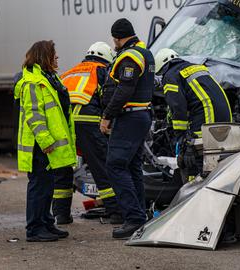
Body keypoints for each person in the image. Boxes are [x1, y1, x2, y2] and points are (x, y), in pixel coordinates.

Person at [14, 40, 76, 242]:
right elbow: (34, 116)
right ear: (44, 57)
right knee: (39, 187)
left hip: (48, 145)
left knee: (47, 186)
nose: (57, 57)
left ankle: (46, 223)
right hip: (39, 146)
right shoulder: (32, 82)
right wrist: (46, 140)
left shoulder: (49, 78)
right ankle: (34, 228)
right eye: (53, 54)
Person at [100, 18, 154, 239]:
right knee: (132, 167)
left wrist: (107, 116)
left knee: (115, 166)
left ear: (117, 37)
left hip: (130, 117)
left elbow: (125, 90)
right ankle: (140, 215)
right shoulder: (146, 52)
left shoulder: (130, 56)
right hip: (140, 117)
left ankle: (133, 218)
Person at [60, 42, 122, 224]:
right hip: (88, 123)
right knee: (102, 167)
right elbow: (108, 98)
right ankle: (116, 212)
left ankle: (61, 215)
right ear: (107, 58)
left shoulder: (69, 72)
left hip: (64, 125)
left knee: (64, 171)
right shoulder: (102, 71)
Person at [154, 48, 232, 178]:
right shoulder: (193, 68)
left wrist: (181, 137)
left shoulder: (170, 76)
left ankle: (195, 190)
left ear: (162, 67)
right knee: (215, 158)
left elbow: (178, 107)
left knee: (195, 158)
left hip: (206, 115)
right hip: (224, 113)